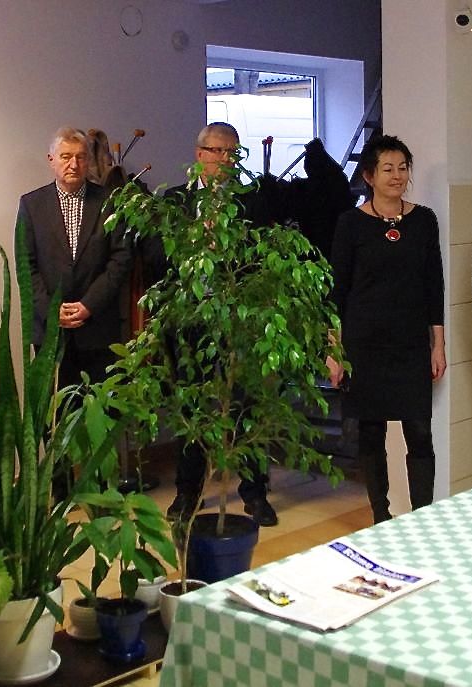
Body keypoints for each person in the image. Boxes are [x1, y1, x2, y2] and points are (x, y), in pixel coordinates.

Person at [155, 122, 278, 526]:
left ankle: (254, 493)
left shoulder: (252, 200)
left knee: (247, 405)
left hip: (239, 321)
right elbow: (159, 260)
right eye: (218, 151)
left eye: (232, 153)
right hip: (190, 320)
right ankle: (188, 493)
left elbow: (263, 260)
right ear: (199, 154)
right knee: (192, 408)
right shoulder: (176, 201)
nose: (226, 160)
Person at [326, 134, 445, 524]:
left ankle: (422, 516)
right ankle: (381, 515)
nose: (397, 176)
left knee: (420, 432)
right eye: (388, 169)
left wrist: (438, 344)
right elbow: (337, 290)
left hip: (411, 343)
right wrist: (334, 349)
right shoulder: (350, 223)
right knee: (371, 433)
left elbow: (434, 286)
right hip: (364, 344)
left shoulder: (424, 220)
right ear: (369, 176)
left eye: (403, 168)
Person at [19, 127, 132, 495]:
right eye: (66, 157)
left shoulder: (110, 202)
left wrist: (88, 305)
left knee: (100, 411)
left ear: (89, 161)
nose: (73, 164)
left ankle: (99, 488)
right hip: (50, 330)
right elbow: (26, 265)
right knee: (55, 413)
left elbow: (120, 260)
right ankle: (61, 488)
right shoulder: (31, 205)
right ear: (51, 160)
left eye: (81, 157)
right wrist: (52, 311)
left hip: (97, 326)